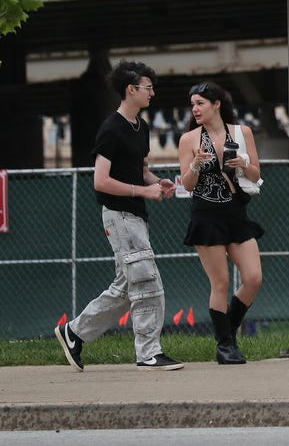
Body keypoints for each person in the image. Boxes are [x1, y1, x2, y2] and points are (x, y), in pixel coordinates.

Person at [53, 60, 183, 371]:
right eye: (147, 87)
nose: (152, 92)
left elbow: (139, 169)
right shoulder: (111, 128)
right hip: (119, 215)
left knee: (126, 288)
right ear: (131, 90)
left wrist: (156, 182)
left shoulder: (142, 127)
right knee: (148, 283)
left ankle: (73, 332)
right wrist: (143, 192)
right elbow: (101, 180)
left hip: (135, 216)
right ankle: (148, 352)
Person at [177, 81, 265, 364]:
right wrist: (195, 165)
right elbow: (188, 185)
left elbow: (255, 175)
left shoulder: (242, 132)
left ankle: (227, 329)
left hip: (236, 214)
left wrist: (243, 164)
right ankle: (225, 344)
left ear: (216, 104)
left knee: (253, 278)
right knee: (221, 282)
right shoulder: (189, 139)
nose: (195, 109)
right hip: (206, 215)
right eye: (193, 105)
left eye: (200, 103)